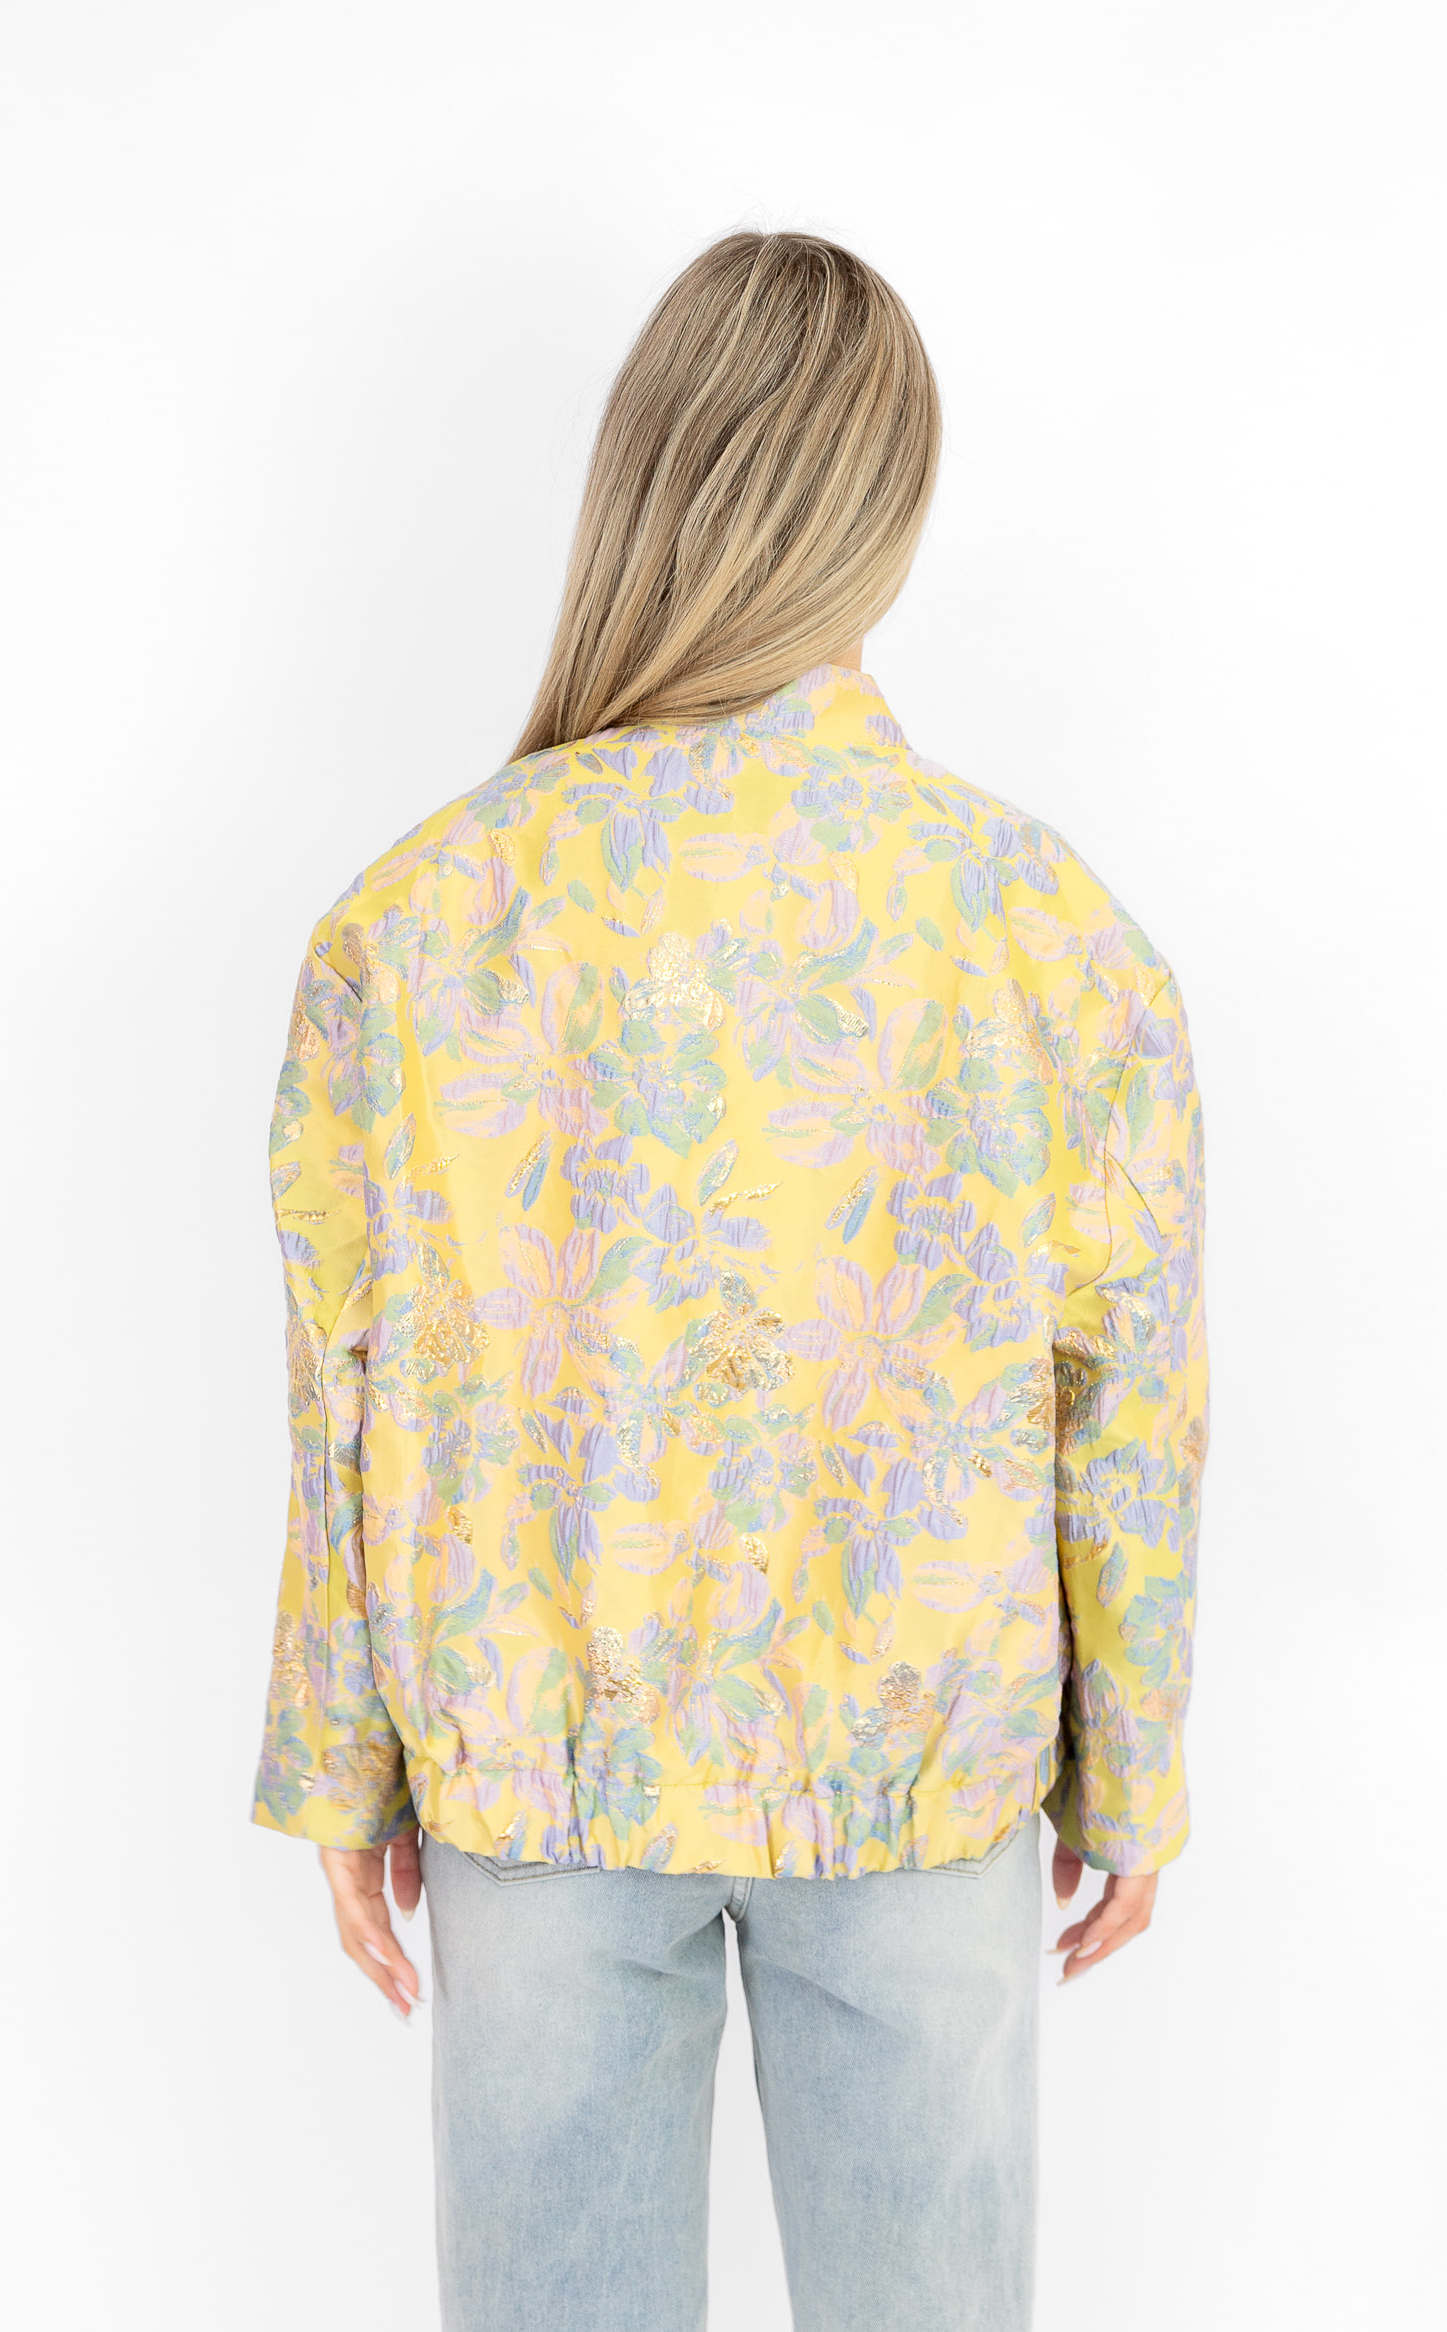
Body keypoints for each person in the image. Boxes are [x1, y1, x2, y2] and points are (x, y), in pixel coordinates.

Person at [251, 229, 1208, 2331]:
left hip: (542, 1766)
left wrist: (342, 1756)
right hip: (918, 1766)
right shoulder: (1044, 927)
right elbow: (1128, 1382)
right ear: (890, 515)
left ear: (645, 487)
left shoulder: (419, 917)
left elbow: (342, 1369)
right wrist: (1130, 1764)